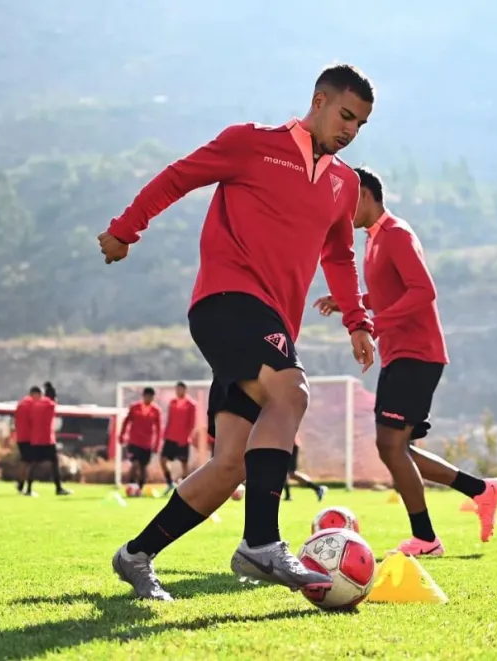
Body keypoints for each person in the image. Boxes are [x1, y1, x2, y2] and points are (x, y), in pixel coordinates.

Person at [100, 63, 377, 600]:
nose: (350, 130)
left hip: (271, 324)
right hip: (226, 302)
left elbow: (340, 257)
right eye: (345, 115)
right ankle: (261, 542)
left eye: (361, 124)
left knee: (230, 463)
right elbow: (178, 176)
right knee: (291, 391)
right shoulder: (251, 144)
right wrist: (125, 230)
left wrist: (357, 322)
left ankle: (136, 555)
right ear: (318, 101)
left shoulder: (344, 184)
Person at [314, 166, 497, 555]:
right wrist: (355, 304)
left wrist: (377, 323)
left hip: (417, 353)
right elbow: (389, 289)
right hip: (400, 355)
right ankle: (481, 490)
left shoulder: (396, 234)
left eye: (345, 199)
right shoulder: (372, 241)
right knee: (399, 449)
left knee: (390, 445)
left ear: (365, 196)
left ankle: (426, 539)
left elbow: (423, 291)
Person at [27, 382, 73, 496]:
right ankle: (58, 488)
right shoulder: (50, 405)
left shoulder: (35, 405)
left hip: (36, 439)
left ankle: (28, 489)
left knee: (34, 464)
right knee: (54, 463)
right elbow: (53, 405)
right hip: (47, 439)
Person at [119, 387, 162, 490]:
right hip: (134, 441)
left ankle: (140, 487)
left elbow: (159, 429)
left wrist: (157, 445)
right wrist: (122, 435)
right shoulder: (134, 407)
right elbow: (126, 421)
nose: (149, 398)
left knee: (143, 466)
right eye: (147, 396)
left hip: (147, 443)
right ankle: (131, 484)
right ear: (143, 396)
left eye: (151, 397)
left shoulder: (156, 411)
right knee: (135, 463)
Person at [161, 381, 197, 489]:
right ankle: (170, 483)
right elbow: (169, 419)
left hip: (183, 439)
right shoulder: (172, 402)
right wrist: (165, 434)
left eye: (180, 389)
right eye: (176, 389)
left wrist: (185, 437)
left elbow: (191, 423)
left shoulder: (191, 405)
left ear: (185, 390)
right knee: (163, 460)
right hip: (170, 437)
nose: (177, 391)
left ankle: (187, 486)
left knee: (184, 463)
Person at [283, 435, 327, 502]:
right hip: (285, 445)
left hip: (289, 444)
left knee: (290, 473)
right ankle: (288, 496)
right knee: (284, 472)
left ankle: (318, 488)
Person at [14, 386, 41, 493]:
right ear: (35, 394)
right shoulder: (32, 404)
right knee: (30, 463)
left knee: (24, 461)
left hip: (20, 437)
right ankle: (25, 486)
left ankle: (21, 484)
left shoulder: (21, 404)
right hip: (30, 437)